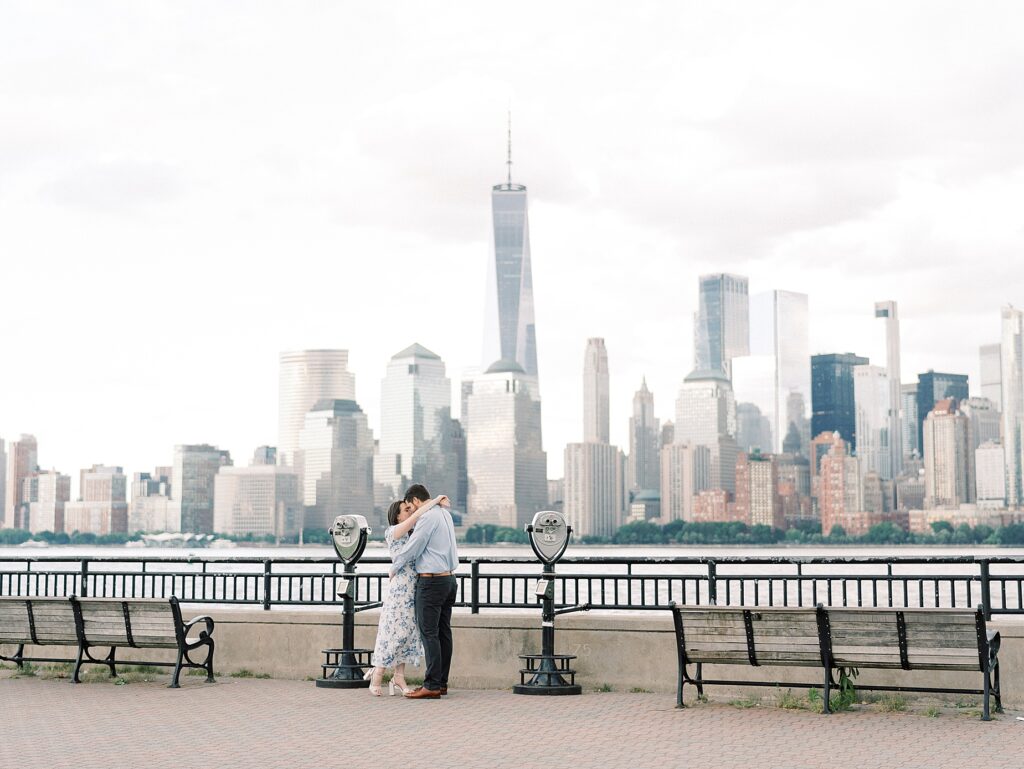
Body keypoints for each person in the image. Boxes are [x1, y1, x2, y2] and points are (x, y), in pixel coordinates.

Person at [364, 495, 445, 696]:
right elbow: (417, 516)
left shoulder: (412, 534)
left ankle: (399, 677)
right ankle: (378, 674)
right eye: (405, 510)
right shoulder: (392, 532)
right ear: (398, 516)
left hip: (414, 587)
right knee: (392, 631)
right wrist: (433, 501)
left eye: (410, 508)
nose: (409, 512)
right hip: (400, 588)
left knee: (409, 632)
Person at [389, 483, 459, 699]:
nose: (413, 512)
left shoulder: (427, 518)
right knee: (443, 632)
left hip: (431, 583)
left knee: (429, 634)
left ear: (416, 501)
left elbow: (415, 546)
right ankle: (442, 682)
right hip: (449, 579)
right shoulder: (445, 514)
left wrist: (395, 565)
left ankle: (432, 685)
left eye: (411, 506)